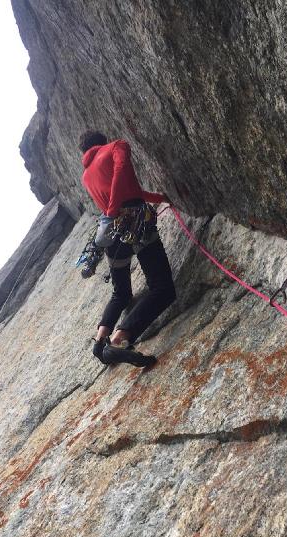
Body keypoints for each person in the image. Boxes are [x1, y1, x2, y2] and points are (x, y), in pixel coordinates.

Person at [79, 130, 176, 367]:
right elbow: (121, 175)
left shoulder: (86, 176)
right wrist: (114, 209)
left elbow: (126, 187)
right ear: (102, 141)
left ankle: (100, 342)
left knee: (120, 293)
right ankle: (120, 339)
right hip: (134, 223)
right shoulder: (116, 146)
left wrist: (157, 197)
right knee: (162, 289)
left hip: (112, 233)